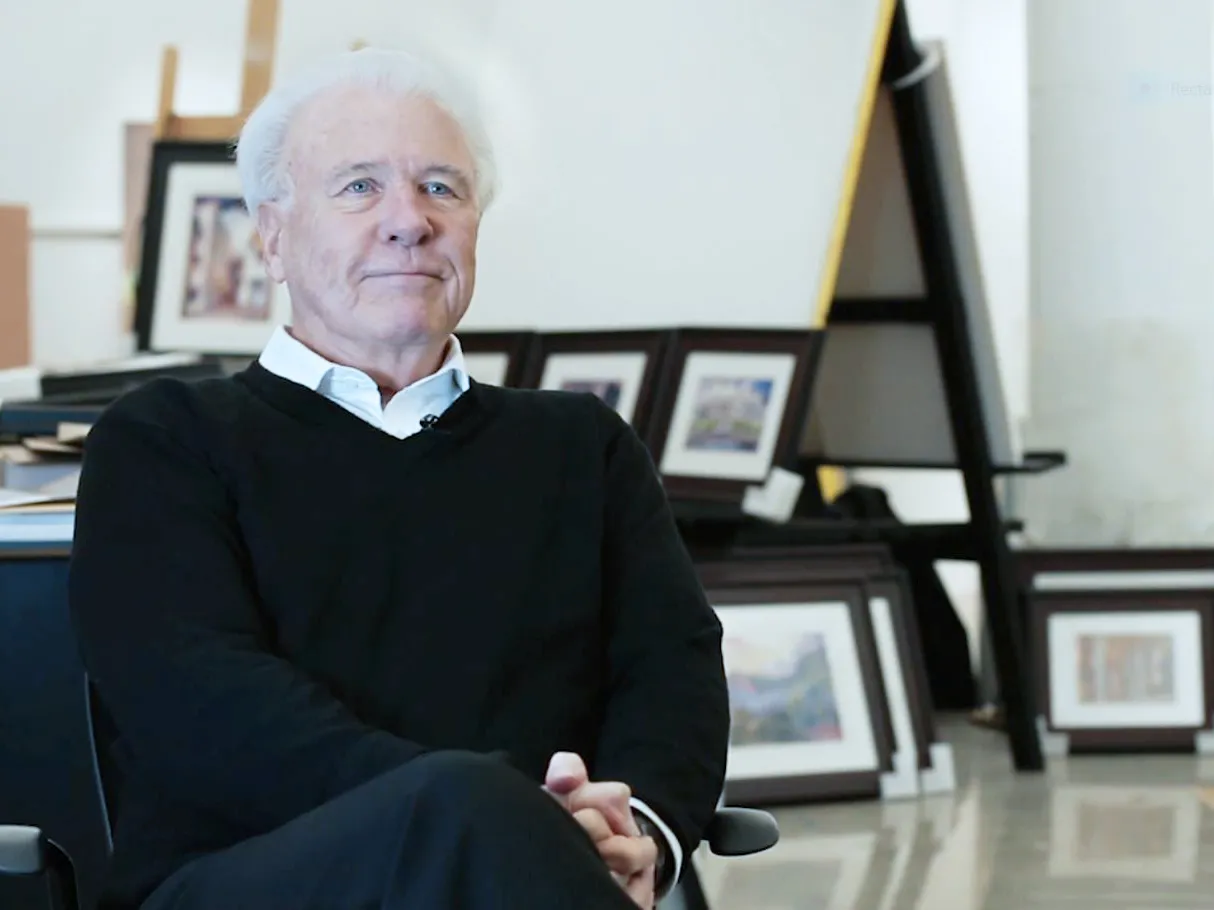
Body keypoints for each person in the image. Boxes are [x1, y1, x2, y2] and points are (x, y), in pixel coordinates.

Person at [67, 46, 730, 910]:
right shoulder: (164, 441)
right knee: (464, 812)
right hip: (249, 879)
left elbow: (673, 670)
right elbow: (206, 710)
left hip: (548, 873)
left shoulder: (583, 446)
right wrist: (511, 818)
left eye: (441, 188)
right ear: (271, 233)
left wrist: (634, 830)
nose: (407, 221)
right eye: (358, 187)